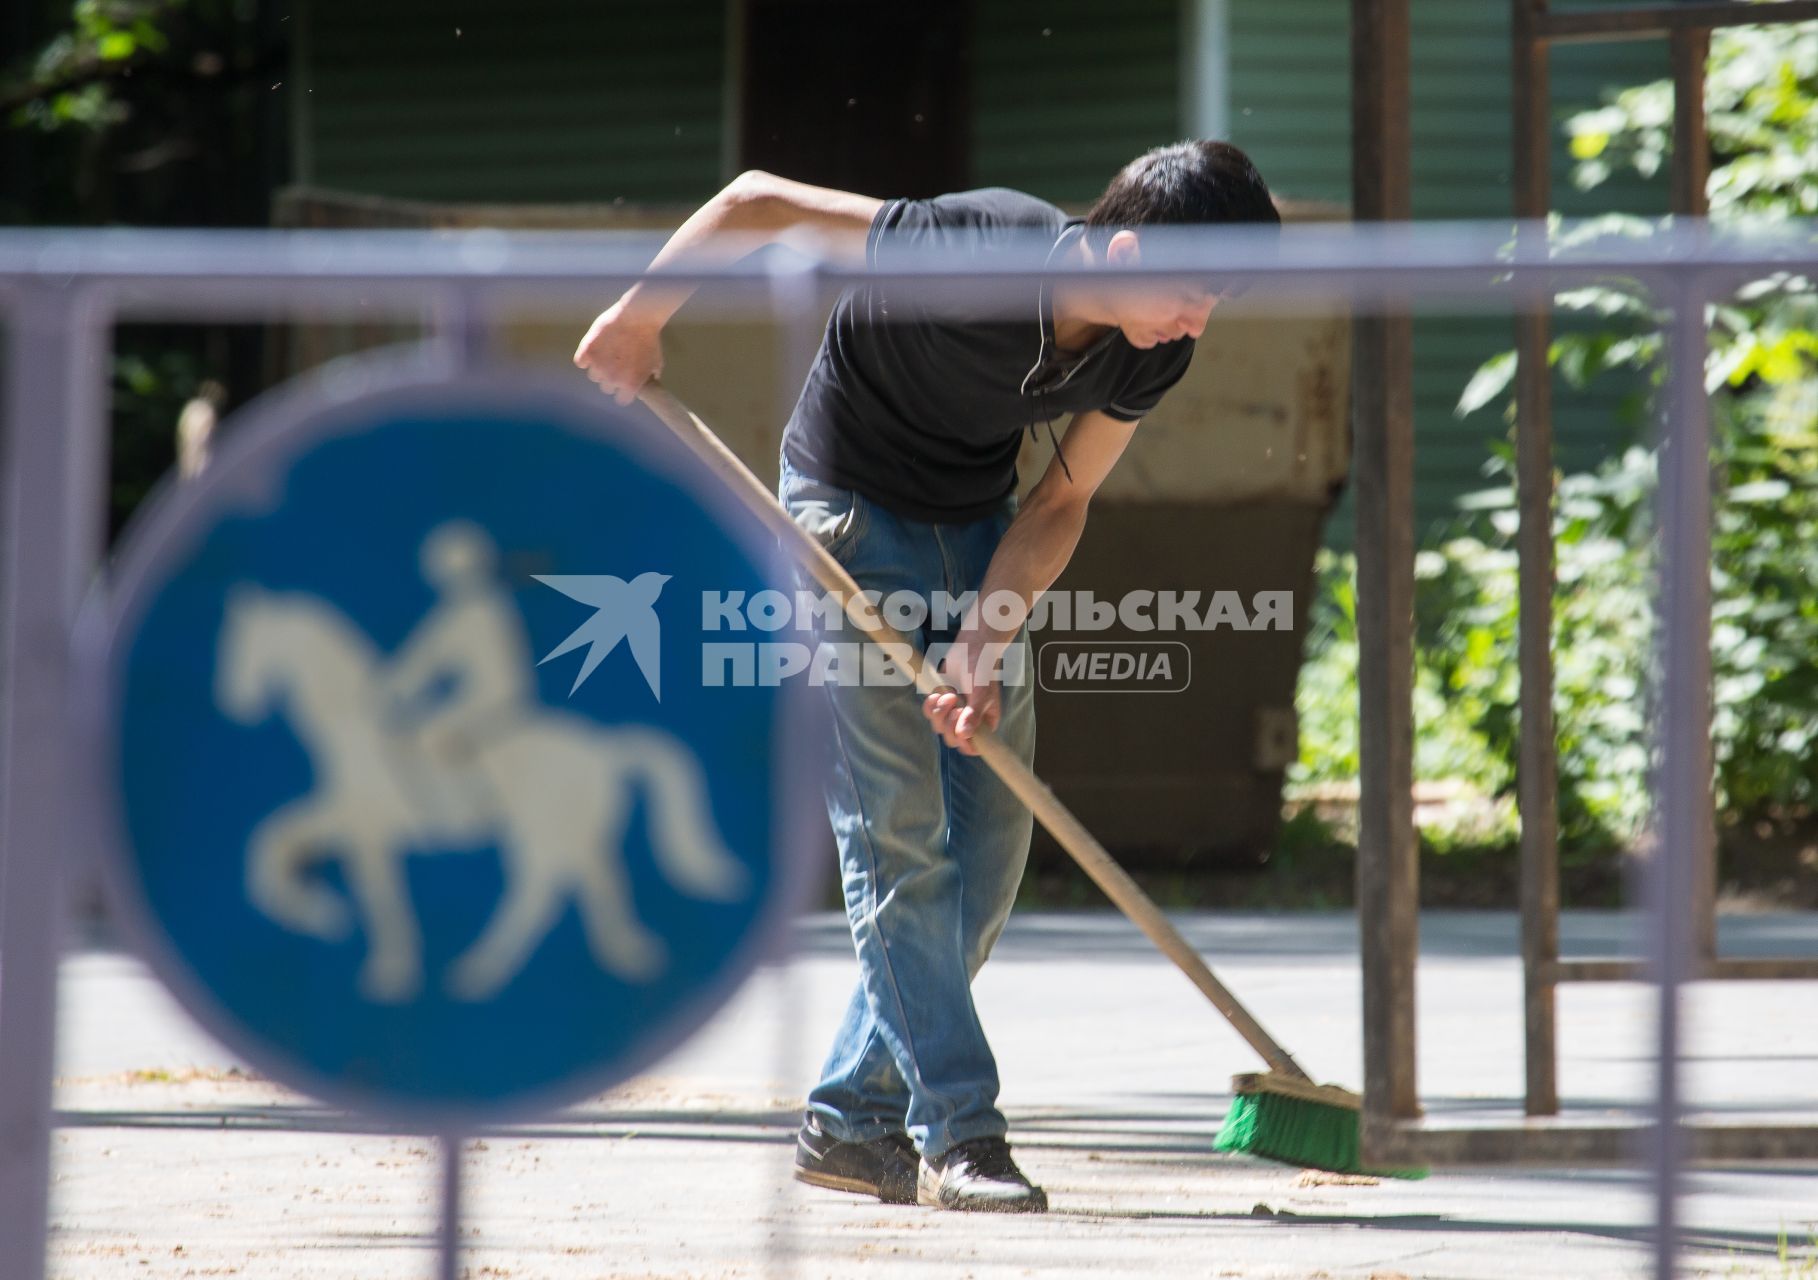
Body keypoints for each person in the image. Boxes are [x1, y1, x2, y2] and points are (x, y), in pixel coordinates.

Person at [573, 140, 1279, 1214]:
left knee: (990, 851)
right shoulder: (975, 246)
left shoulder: (1148, 347)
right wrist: (638, 315)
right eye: (1192, 293)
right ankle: (962, 1132)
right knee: (899, 839)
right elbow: (760, 202)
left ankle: (849, 1120)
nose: (1198, 324)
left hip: (982, 528)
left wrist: (983, 639)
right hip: (845, 516)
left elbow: (1059, 501)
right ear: (1125, 246)